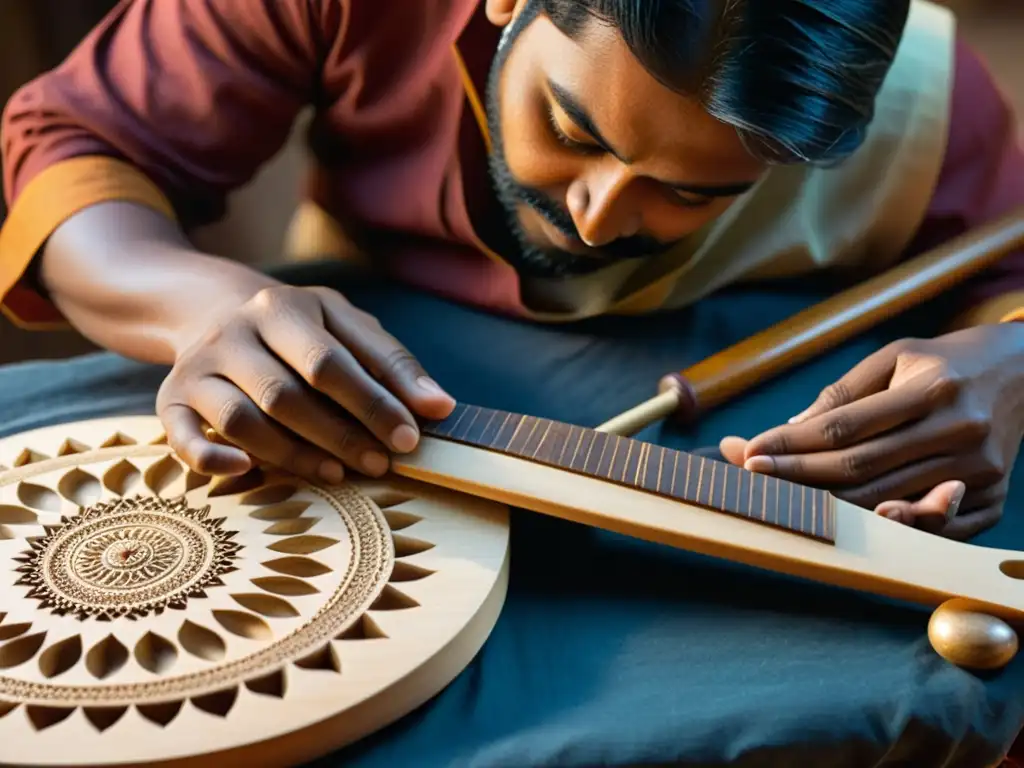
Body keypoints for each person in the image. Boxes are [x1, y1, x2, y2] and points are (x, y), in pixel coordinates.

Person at [2, 1, 1024, 764]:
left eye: (687, 192)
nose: (595, 215)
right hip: (366, 369)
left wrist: (1007, 361)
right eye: (574, 129)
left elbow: (1005, 281)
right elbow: (80, 148)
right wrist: (194, 302)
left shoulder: (926, 104)